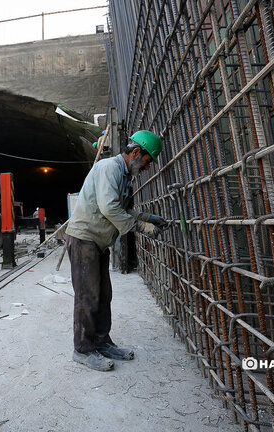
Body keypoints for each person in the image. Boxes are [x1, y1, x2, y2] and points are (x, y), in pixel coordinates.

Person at [66, 130, 167, 371]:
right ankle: (83, 349)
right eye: (147, 161)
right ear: (135, 152)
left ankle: (102, 342)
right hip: (84, 240)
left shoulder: (123, 176)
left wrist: (146, 217)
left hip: (99, 242)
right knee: (87, 297)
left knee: (103, 295)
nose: (147, 168)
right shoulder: (109, 168)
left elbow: (123, 210)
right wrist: (142, 227)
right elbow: (110, 208)